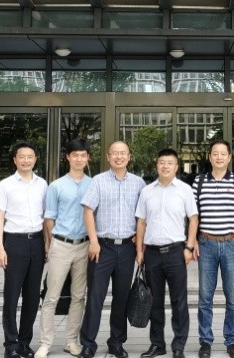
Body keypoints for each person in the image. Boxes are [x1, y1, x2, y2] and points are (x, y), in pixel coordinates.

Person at [79, 141, 146, 358]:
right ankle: (88, 343)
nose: (119, 157)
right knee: (95, 297)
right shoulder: (98, 181)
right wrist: (93, 241)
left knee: (121, 298)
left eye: (123, 153)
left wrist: (139, 243)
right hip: (102, 247)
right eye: (115, 153)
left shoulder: (138, 183)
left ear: (129, 156)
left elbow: (143, 216)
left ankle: (116, 342)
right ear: (108, 157)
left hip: (127, 248)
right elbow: (88, 211)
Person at [135, 148, 199, 358]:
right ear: (157, 165)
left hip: (175, 252)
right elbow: (141, 222)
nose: (165, 166)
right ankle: (157, 344)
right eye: (162, 162)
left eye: (170, 163)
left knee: (179, 301)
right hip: (152, 253)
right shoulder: (147, 191)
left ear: (176, 167)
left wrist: (189, 247)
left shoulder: (184, 190)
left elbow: (193, 219)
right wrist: (139, 251)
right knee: (154, 302)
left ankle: (178, 345)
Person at [36, 139, 93, 358]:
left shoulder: (93, 184)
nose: (79, 159)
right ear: (68, 157)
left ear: (88, 158)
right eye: (75, 155)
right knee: (51, 296)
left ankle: (71, 341)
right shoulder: (56, 186)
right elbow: (49, 217)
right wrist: (51, 244)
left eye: (83, 155)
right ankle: (45, 342)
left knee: (78, 296)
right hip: (61, 244)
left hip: (85, 245)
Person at [191, 140, 234, 358]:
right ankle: (205, 341)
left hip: (231, 243)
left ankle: (232, 341)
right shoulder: (199, 181)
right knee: (205, 297)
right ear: (210, 157)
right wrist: (193, 241)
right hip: (206, 243)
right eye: (215, 153)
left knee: (232, 297)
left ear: (229, 157)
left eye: (223, 154)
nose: (219, 157)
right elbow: (194, 214)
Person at [0, 142, 48, 358]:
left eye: (30, 156)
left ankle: (25, 342)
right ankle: (11, 344)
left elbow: (46, 217)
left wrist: (47, 244)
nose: (26, 160)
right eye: (22, 157)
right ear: (15, 160)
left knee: (32, 296)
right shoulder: (6, 184)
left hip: (37, 242)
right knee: (11, 295)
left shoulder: (42, 184)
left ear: (35, 159)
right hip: (14, 243)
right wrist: (0, 247)